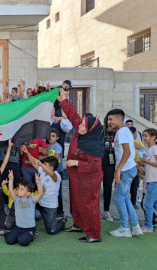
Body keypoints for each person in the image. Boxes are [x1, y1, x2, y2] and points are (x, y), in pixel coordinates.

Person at [57, 88, 104, 243]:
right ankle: (78, 224)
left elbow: (95, 167)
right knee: (76, 202)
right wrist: (63, 100)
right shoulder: (80, 131)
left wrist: (75, 162)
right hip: (76, 177)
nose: (80, 126)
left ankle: (94, 234)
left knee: (89, 205)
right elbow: (74, 116)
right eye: (82, 124)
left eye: (84, 126)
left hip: (89, 180)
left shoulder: (93, 145)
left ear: (90, 129)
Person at [107, 109, 143, 237]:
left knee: (118, 199)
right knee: (124, 198)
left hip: (125, 170)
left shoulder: (122, 132)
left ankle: (124, 228)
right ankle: (136, 226)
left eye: (111, 119)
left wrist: (118, 170)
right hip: (129, 168)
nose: (109, 122)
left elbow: (127, 152)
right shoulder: (125, 131)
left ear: (119, 119)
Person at [21, 148, 66, 235]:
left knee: (52, 231)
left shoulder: (56, 175)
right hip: (39, 203)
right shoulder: (43, 171)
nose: (42, 166)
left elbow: (52, 174)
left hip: (50, 206)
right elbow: (33, 163)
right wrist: (27, 152)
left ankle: (63, 221)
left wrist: (41, 163)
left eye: (45, 164)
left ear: (51, 167)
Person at [0, 171, 43, 247]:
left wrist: (38, 183)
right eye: (19, 188)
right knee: (9, 241)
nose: (18, 190)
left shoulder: (32, 200)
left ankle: (32, 235)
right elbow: (11, 190)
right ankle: (6, 233)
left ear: (28, 193)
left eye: (22, 189)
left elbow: (40, 194)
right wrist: (11, 179)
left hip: (29, 228)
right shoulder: (16, 199)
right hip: (18, 227)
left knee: (22, 242)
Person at [101, 116, 116, 221]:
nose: (110, 123)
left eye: (112, 121)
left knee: (108, 186)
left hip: (111, 164)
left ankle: (106, 210)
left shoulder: (119, 133)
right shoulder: (101, 132)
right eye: (108, 121)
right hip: (98, 162)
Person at [47, 128, 65, 218]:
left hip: (57, 171)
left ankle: (60, 212)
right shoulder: (46, 145)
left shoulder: (58, 146)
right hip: (47, 172)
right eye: (49, 136)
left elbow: (55, 158)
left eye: (53, 136)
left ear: (57, 138)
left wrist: (44, 154)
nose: (50, 138)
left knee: (58, 192)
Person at [129, 127, 145, 207]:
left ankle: (133, 202)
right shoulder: (137, 143)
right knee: (134, 186)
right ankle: (133, 203)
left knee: (134, 185)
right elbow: (144, 152)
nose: (136, 135)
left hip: (135, 166)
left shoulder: (138, 142)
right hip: (134, 166)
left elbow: (143, 153)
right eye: (135, 133)